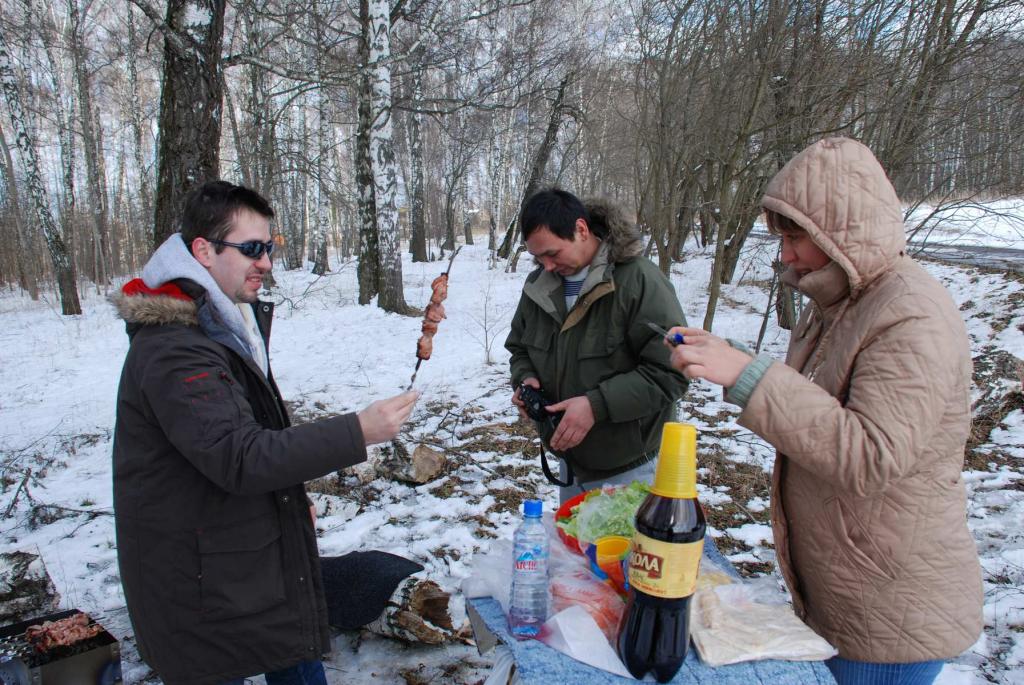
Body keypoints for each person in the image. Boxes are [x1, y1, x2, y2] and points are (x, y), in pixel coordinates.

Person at [665, 138, 983, 684]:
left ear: (843, 232)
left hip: (889, 607)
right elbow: (820, 405)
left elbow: (870, 454)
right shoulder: (837, 304)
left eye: (795, 238)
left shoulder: (911, 315)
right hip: (845, 587)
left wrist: (745, 376)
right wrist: (733, 358)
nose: (784, 255)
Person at [111, 180, 418, 685]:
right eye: (251, 249)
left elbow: (234, 432)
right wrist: (358, 430)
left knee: (293, 652)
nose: (266, 262)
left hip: (237, 551)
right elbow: (237, 455)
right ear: (203, 251)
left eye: (269, 247)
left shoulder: (224, 319)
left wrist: (285, 498)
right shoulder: (174, 347)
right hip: (199, 580)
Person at [505, 189, 689, 503]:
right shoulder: (539, 287)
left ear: (581, 229)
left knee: (630, 554)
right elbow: (520, 348)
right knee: (577, 550)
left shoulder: (639, 281)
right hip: (571, 465)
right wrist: (525, 379)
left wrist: (595, 405)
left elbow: (671, 372)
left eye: (553, 253)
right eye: (538, 258)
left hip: (630, 470)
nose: (547, 266)